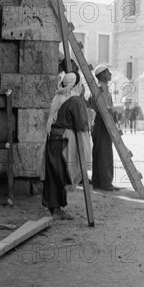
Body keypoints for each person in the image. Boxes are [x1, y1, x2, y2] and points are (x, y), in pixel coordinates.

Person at [41, 72, 88, 220]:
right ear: (77, 84)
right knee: (62, 174)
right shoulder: (74, 100)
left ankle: (56, 208)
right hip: (64, 142)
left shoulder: (58, 97)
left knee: (53, 174)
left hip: (53, 140)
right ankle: (56, 209)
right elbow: (81, 125)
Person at [89, 64, 120, 191]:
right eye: (108, 72)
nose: (110, 74)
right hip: (101, 123)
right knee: (104, 154)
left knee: (101, 153)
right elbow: (102, 108)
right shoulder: (100, 89)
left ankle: (99, 181)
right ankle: (105, 183)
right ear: (102, 74)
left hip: (103, 123)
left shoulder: (104, 88)